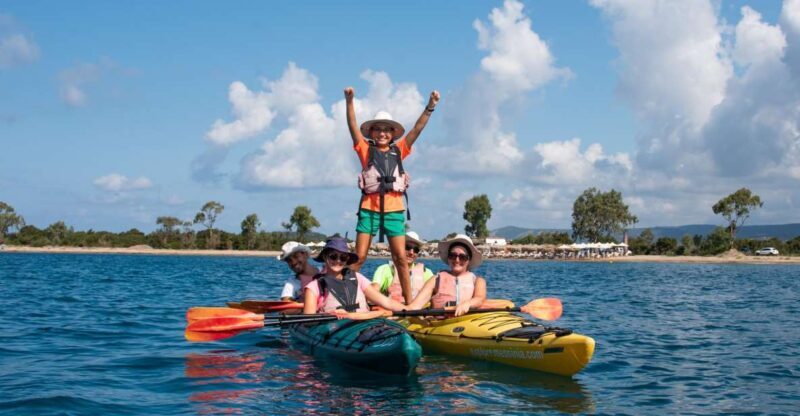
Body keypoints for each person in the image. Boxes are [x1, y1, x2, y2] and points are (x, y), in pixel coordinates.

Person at [344, 86, 440, 304]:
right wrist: (350, 101)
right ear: (371, 132)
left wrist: (430, 107)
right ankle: (343, 295)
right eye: (378, 129)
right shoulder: (365, 150)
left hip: (395, 211)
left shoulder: (400, 150)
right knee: (358, 259)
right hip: (369, 209)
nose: (382, 133)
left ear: (392, 134)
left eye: (387, 129)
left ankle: (409, 304)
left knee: (400, 259)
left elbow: (417, 129)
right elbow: (352, 126)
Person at [302, 237, 409, 314]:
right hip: (334, 331)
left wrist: (408, 310)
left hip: (364, 326)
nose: (338, 261)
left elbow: (385, 302)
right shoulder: (313, 287)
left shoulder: (358, 278)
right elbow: (309, 323)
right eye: (333, 256)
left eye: (343, 257)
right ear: (325, 257)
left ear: (347, 260)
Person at [406, 234, 487, 317]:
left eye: (462, 257)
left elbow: (479, 299)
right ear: (448, 258)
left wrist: (467, 304)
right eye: (453, 255)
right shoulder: (435, 280)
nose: (457, 260)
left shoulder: (478, 281)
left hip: (466, 322)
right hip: (440, 323)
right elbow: (415, 306)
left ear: (468, 260)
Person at [371, 231, 434, 303]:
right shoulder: (384, 269)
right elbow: (373, 291)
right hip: (393, 311)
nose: (411, 252)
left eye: (416, 250)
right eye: (407, 247)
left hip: (419, 312)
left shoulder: (427, 273)